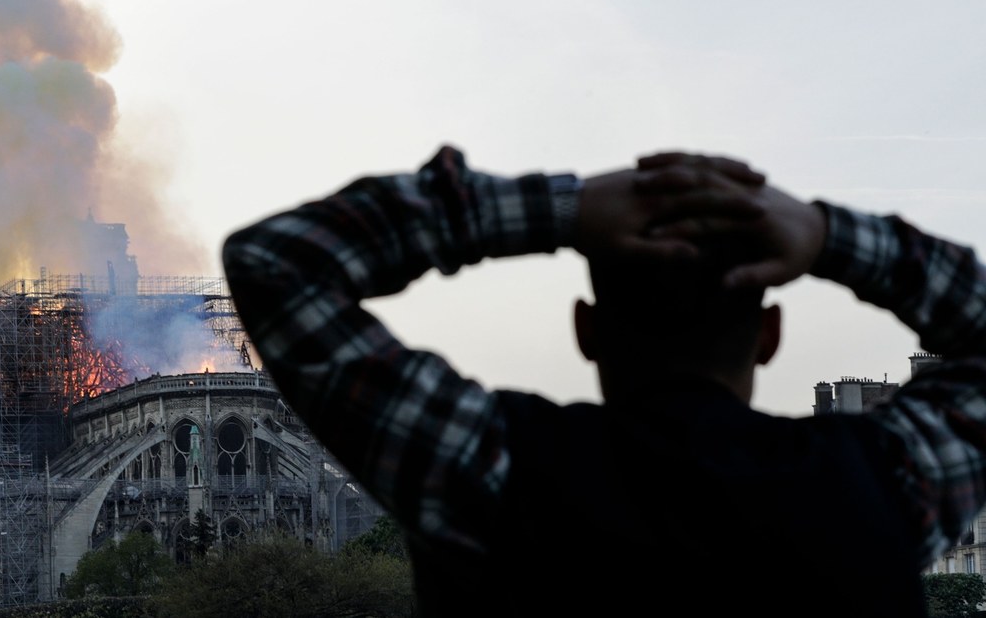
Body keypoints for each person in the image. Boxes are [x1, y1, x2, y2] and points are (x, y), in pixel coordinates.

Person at [220, 145, 986, 616]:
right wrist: (825, 236)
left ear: (584, 329)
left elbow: (277, 263)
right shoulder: (888, 482)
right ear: (770, 337)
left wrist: (560, 210)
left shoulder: (487, 466)